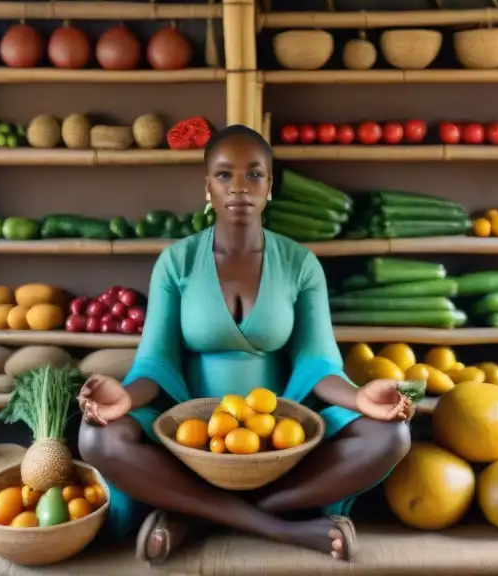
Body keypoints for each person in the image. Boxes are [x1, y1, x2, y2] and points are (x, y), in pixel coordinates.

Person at [77, 124, 413, 564]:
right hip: (191, 440)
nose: (239, 187)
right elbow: (156, 362)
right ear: (207, 186)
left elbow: (317, 359)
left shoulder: (300, 263)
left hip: (281, 438)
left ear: (270, 187)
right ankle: (277, 525)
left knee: (391, 435)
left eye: (254, 175)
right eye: (223, 175)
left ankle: (195, 517)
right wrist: (125, 397)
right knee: (98, 439)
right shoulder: (176, 262)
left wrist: (358, 398)